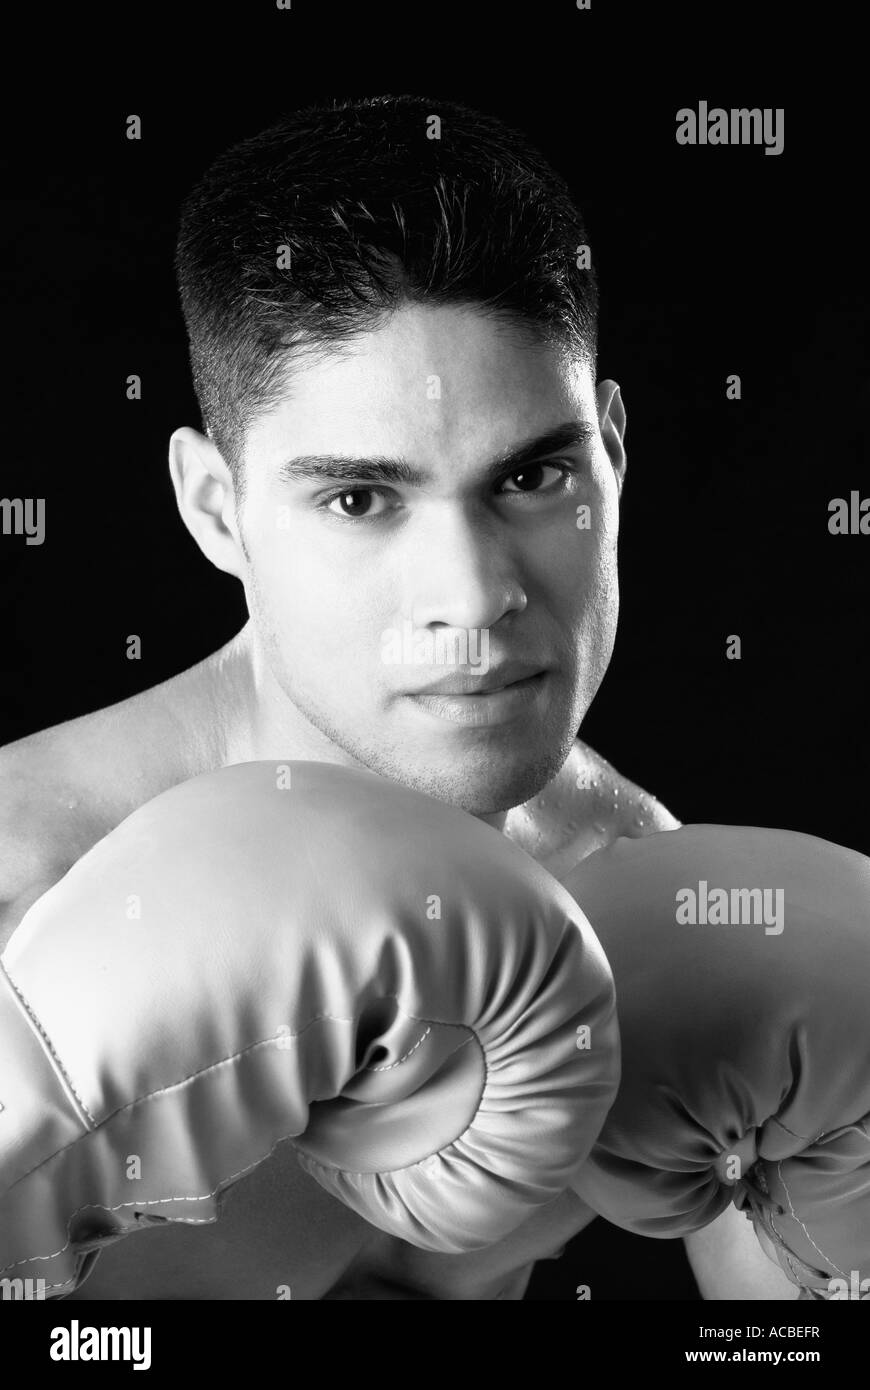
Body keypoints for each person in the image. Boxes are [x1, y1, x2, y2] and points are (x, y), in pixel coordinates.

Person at [0, 94, 796, 1300]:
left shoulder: (632, 885)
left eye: (531, 474)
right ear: (216, 508)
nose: (475, 596)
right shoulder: (27, 895)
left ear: (613, 459)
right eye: (361, 499)